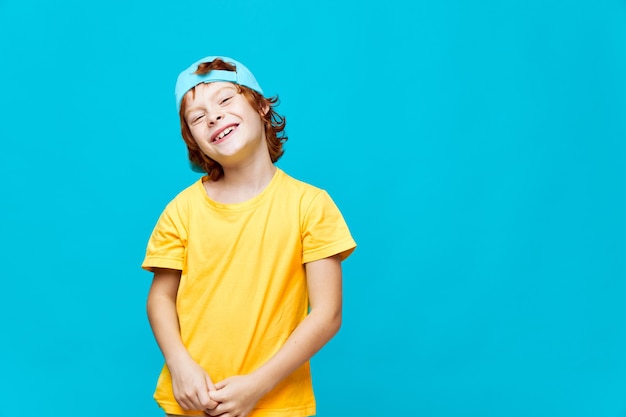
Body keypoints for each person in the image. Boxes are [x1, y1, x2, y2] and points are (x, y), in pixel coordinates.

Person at [142, 55, 356, 417]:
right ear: (194, 140)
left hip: (276, 404)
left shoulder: (311, 205)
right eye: (198, 117)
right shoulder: (181, 210)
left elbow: (327, 313)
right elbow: (160, 298)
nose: (213, 116)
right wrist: (179, 365)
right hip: (194, 402)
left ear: (259, 106)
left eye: (225, 100)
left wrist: (258, 385)